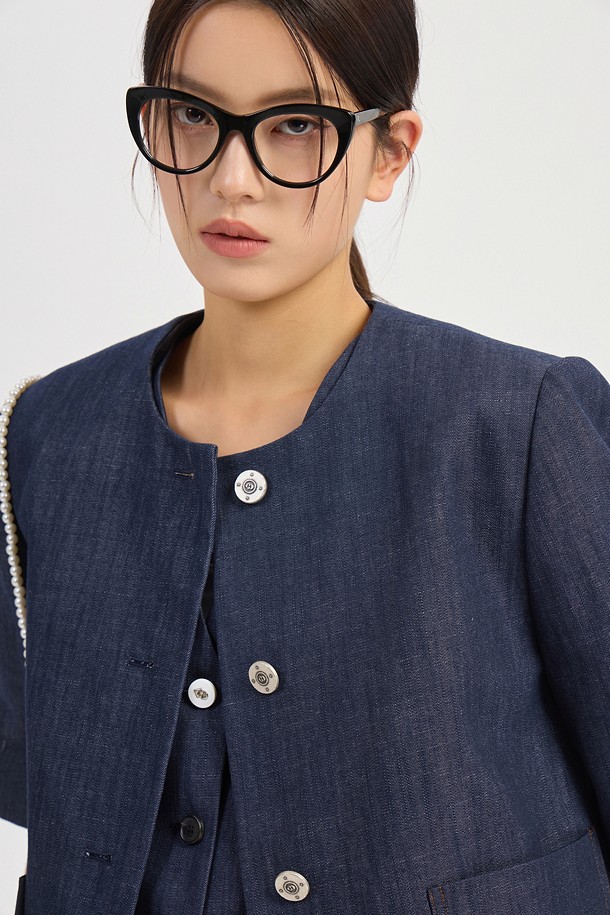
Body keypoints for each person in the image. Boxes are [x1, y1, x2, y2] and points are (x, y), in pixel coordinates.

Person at [1, 0, 609, 912]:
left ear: (390, 152)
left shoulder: (514, 423)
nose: (230, 179)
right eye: (192, 114)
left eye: (295, 125)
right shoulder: (51, 432)